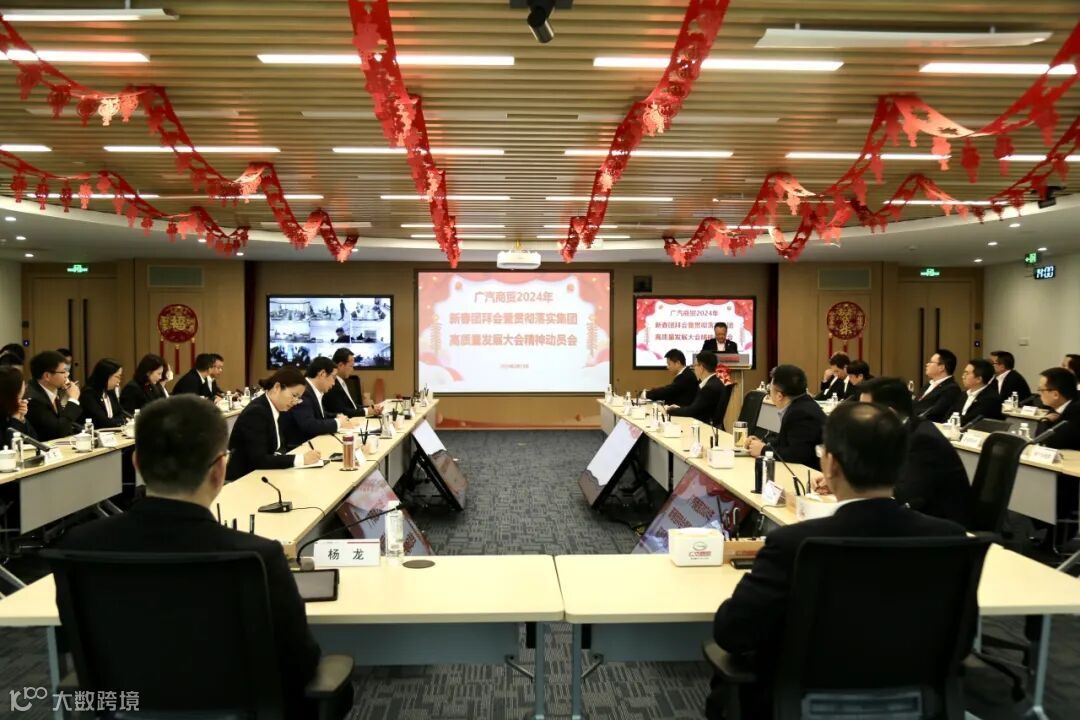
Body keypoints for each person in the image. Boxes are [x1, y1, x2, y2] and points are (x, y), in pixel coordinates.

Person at [56, 395, 336, 718]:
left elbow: (80, 650)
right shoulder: (258, 556)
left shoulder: (80, 545)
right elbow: (299, 662)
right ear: (220, 470)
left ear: (136, 463)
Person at [707, 402, 965, 720]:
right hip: (914, 705)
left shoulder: (793, 544)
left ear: (830, 464)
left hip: (802, 706)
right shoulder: (948, 539)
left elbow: (733, 632)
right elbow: (961, 641)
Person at [855, 378, 972, 526]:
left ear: (889, 413)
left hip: (940, 527)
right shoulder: (896, 430)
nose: (859, 416)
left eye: (865, 410)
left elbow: (904, 494)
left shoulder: (923, 440)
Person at [226, 368, 321, 482]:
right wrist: (301, 459)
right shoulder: (256, 412)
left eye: (299, 398)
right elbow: (259, 460)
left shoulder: (278, 408)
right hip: (244, 478)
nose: (295, 401)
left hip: (266, 473)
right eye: (294, 395)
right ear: (277, 387)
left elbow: (279, 447)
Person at [747, 364, 826, 470]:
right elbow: (787, 441)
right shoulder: (802, 404)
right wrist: (763, 442)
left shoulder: (800, 413)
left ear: (779, 396)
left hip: (810, 474)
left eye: (770, 389)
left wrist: (763, 450)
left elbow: (797, 454)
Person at [1034, 367, 1080, 545]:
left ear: (1055, 394)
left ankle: (1056, 537)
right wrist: (1046, 420)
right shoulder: (1055, 410)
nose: (1039, 394)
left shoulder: (1076, 410)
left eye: (1041, 390)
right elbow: (1041, 439)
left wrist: (1045, 420)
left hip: (1069, 472)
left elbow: (1052, 440)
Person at [280, 357, 357, 450]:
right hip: (301, 448)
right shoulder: (302, 391)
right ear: (322, 374)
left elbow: (319, 415)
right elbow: (309, 425)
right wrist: (338, 422)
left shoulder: (312, 390)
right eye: (333, 377)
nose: (334, 383)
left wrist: (337, 416)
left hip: (313, 443)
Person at [24, 350, 82, 440]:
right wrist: (73, 399)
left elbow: (64, 421)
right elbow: (59, 431)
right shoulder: (34, 399)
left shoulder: (52, 389)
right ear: (47, 376)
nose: (67, 375)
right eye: (63, 372)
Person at [665, 352, 727, 426]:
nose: (694, 369)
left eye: (695, 365)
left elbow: (692, 412)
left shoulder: (709, 388)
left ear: (701, 368)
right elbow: (696, 408)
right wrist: (679, 408)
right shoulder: (714, 382)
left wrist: (670, 410)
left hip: (707, 428)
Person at [323, 348, 381, 418]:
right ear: (340, 365)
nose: (352, 369)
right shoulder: (332, 385)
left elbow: (353, 406)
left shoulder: (341, 382)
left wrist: (371, 408)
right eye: (351, 366)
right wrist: (367, 411)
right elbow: (342, 412)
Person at [913, 349, 963, 422]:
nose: (927, 364)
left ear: (941, 367)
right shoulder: (928, 384)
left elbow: (935, 413)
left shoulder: (951, 389)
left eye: (931, 362)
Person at [950, 358, 1004, 426]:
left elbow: (972, 421)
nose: (963, 376)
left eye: (967, 373)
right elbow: (948, 415)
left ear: (979, 379)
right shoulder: (963, 394)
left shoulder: (991, 398)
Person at [80, 358, 127, 429]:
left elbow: (120, 413)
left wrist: (121, 420)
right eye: (117, 377)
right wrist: (122, 421)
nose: (119, 381)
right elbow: (103, 422)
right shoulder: (88, 394)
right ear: (106, 376)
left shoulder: (110, 391)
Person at [0, 365, 37, 441]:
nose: (25, 386)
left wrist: (22, 418)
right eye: (23, 384)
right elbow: (9, 445)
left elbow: (34, 439)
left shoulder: (9, 407)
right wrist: (16, 418)